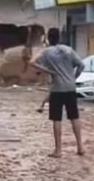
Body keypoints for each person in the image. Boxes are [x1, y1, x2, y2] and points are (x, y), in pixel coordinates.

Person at [31, 28, 85, 158]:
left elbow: (32, 62)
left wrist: (47, 71)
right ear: (59, 37)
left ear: (48, 38)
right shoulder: (68, 50)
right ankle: (80, 147)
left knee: (57, 119)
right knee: (74, 117)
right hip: (71, 88)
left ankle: (58, 150)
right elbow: (81, 65)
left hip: (57, 89)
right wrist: (74, 78)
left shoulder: (46, 52)